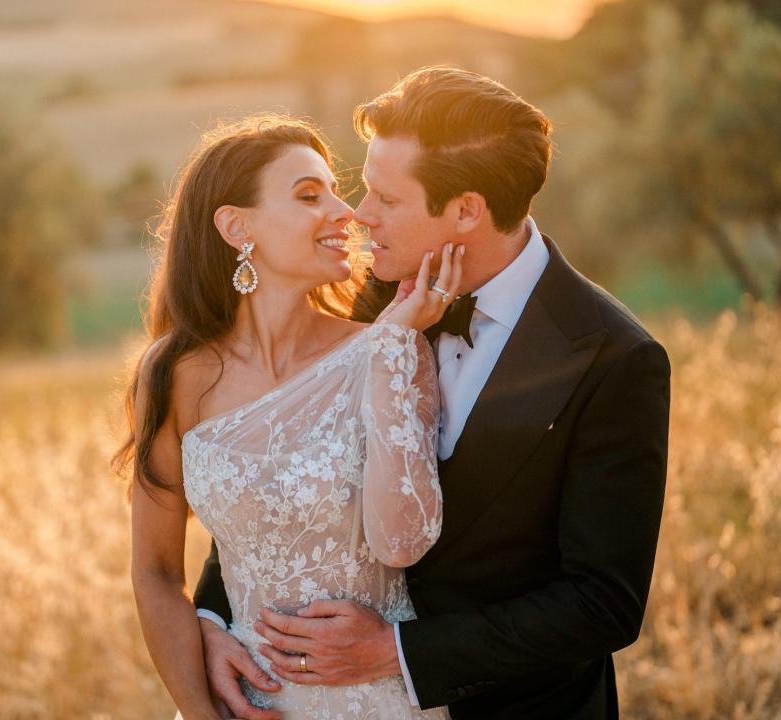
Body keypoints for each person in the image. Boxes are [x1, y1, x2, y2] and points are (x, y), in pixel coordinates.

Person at [193, 67, 671, 720]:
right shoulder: (366, 299)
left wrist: (398, 651)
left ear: (466, 211)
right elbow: (280, 467)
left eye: (387, 199)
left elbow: (602, 602)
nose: (359, 215)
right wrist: (214, 620)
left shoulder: (616, 358)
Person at [114, 115, 462, 719]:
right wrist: (202, 710)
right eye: (309, 196)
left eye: (334, 190)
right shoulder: (173, 377)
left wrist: (388, 351)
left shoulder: (391, 346)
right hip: (244, 703)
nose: (345, 212)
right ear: (235, 226)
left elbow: (402, 543)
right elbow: (155, 571)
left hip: (379, 700)